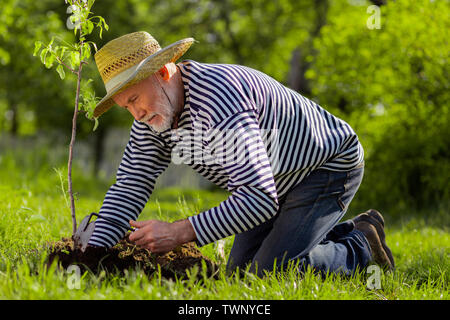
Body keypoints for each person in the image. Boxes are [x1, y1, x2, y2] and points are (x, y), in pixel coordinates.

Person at [88, 31, 394, 276]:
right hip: (273, 179)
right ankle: (318, 232)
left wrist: (179, 232)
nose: (136, 114)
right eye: (126, 106)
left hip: (325, 166)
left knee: (270, 272)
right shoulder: (154, 117)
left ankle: (362, 244)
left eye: (135, 99)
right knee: (239, 273)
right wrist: (92, 253)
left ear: (164, 72)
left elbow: (258, 199)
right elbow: (131, 184)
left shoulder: (219, 101)